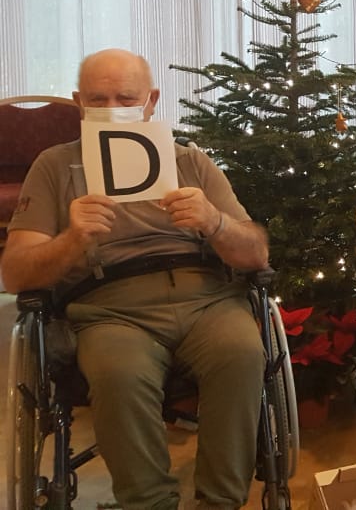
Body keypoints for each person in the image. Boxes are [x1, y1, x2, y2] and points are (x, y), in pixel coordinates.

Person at [0, 48, 271, 510]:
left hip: (206, 296)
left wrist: (215, 222)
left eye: (126, 98)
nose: (112, 109)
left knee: (243, 353)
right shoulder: (54, 166)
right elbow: (15, 272)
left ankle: (221, 502)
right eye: (97, 99)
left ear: (151, 101)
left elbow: (256, 252)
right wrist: (72, 239)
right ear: (79, 103)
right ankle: (149, 503)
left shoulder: (190, 161)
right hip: (109, 306)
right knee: (119, 374)